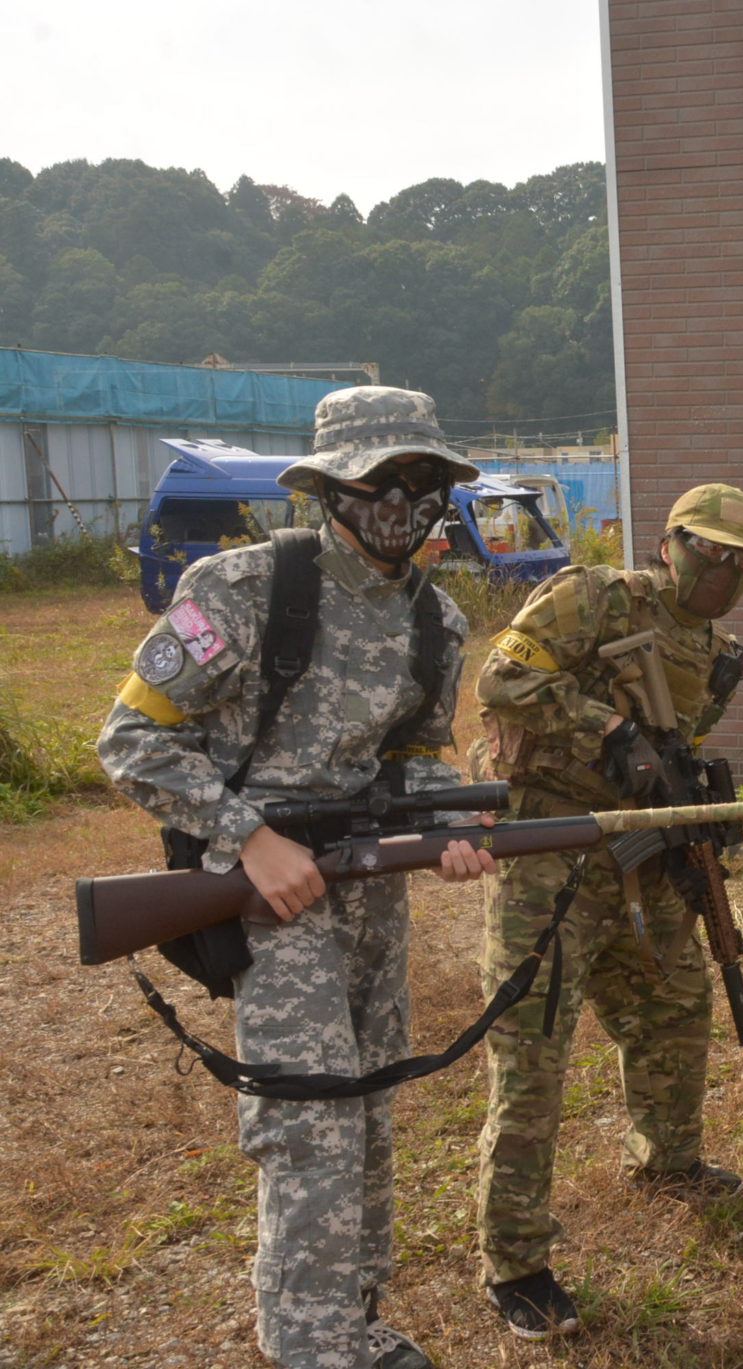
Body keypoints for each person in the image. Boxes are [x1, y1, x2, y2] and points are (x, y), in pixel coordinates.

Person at [98, 385, 495, 1369]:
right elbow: (131, 738)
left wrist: (452, 822)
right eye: (376, 480)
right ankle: (309, 1343)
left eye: (420, 479)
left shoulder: (438, 622)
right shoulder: (240, 589)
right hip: (268, 895)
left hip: (369, 893)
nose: (399, 502)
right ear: (327, 488)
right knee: (310, 1116)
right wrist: (248, 835)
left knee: (368, 1102)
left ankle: (352, 1318)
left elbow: (413, 757)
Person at [470, 484, 743, 1338]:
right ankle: (516, 1261)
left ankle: (667, 1158)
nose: (723, 571)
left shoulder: (716, 652)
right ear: (671, 545)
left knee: (677, 1004)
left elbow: (678, 747)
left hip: (638, 854)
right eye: (709, 551)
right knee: (533, 1054)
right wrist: (606, 730)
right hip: (550, 853)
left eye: (741, 562)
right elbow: (502, 677)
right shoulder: (594, 597)